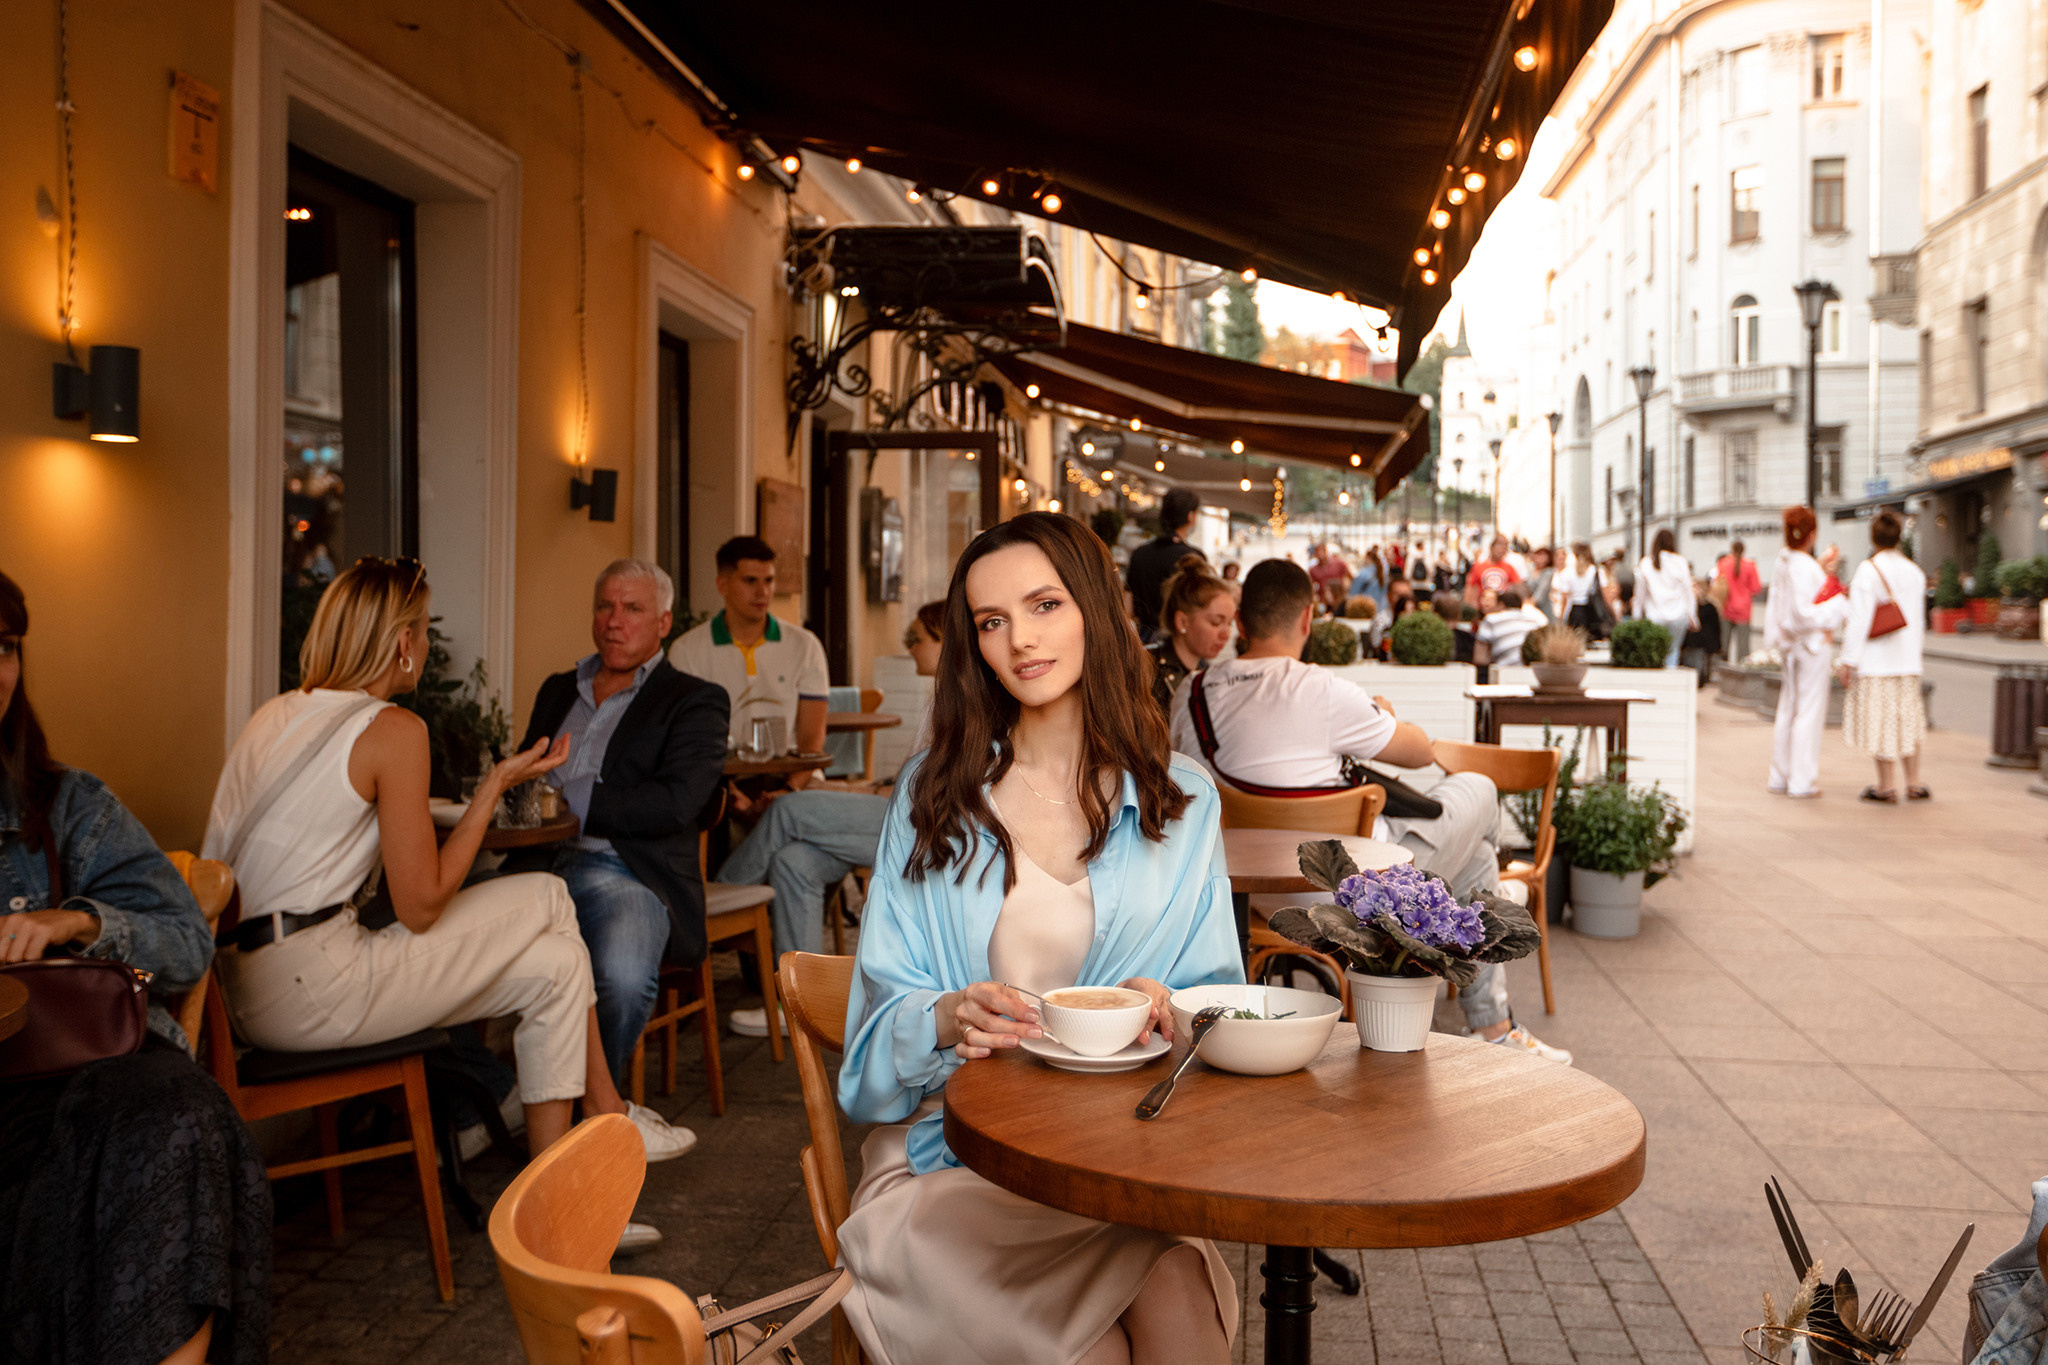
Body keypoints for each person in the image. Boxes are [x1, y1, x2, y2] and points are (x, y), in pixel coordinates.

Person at [836, 512, 1242, 1365]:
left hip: (1110, 1164)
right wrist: (946, 1013)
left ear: (1094, 607)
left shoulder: (1184, 801)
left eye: (1044, 604)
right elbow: (868, 1054)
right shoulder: (932, 796)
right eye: (990, 620)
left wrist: (1174, 1011)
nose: (1019, 639)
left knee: (1182, 1299)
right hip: (947, 1163)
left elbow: (1218, 1010)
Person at [204, 560, 643, 1173]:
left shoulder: (272, 715)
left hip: (239, 993)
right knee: (548, 895)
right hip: (316, 989)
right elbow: (422, 905)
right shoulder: (392, 730)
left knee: (558, 965)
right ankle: (608, 1114)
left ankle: (562, 1196)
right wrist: (494, 786)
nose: (429, 645)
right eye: (424, 631)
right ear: (404, 644)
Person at [0, 570, 272, 1365]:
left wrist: (79, 918)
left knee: (180, 1121)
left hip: (85, 1069)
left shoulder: (66, 807)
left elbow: (188, 942)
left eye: (7, 648)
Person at [1168, 559, 1570, 1064]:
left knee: (1476, 861)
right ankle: (1485, 1018)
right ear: (1308, 619)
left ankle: (1493, 1024)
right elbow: (1421, 751)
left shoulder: (1194, 692)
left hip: (1249, 899)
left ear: (1242, 623)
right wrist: (1386, 714)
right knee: (1479, 788)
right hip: (1354, 896)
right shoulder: (1323, 691)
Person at [505, 559, 723, 1161]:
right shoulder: (558, 688)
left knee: (623, 979)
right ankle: (512, 1095)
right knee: (436, 946)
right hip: (536, 864)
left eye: (632, 609)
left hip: (625, 871)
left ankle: (580, 1124)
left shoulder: (694, 701)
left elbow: (676, 805)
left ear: (664, 621)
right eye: (605, 606)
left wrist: (566, 799)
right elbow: (522, 782)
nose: (614, 622)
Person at [713, 601, 948, 1038]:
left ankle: (715, 914)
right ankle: (803, 1006)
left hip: (918, 828)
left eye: (915, 638)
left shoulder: (956, 699)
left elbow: (917, 793)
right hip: (902, 813)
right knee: (794, 862)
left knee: (786, 809)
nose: (910, 648)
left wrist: (832, 790)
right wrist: (835, 789)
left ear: (945, 639)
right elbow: (901, 784)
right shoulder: (939, 695)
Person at [669, 536, 830, 797]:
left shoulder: (805, 645)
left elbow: (812, 740)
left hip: (795, 778)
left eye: (769, 580)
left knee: (813, 808)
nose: (763, 592)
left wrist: (788, 790)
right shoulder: (687, 651)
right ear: (722, 585)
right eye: (750, 581)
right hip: (719, 781)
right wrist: (728, 792)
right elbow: (687, 742)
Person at [1837, 511, 1929, 803]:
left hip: (1876, 660)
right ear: (1898, 536)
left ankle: (1886, 785)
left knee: (1882, 722)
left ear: (1873, 537)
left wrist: (1847, 660)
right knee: (1908, 720)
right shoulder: (1915, 571)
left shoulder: (1868, 570)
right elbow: (1919, 619)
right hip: (1908, 659)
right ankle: (1913, 782)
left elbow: (1859, 619)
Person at [1764, 507, 1849, 799]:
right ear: (1812, 534)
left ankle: (1781, 774)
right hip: (1811, 644)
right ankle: (1802, 780)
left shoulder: (1784, 560)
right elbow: (1804, 612)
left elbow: (1785, 605)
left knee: (1789, 708)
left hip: (1791, 644)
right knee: (1808, 711)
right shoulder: (1804, 565)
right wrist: (1836, 608)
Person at [1147, 555, 1237, 712]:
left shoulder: (1204, 671)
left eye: (1229, 623)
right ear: (1182, 621)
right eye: (1216, 623)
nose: (1226, 634)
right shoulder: (1146, 671)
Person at [1125, 487, 1205, 645]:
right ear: (1190, 516)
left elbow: (1127, 605)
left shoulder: (1139, 554)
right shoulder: (1193, 557)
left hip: (1144, 640)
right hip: (1181, 642)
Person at [1635, 529, 1699, 669]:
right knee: (1673, 651)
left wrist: (1637, 615)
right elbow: (1688, 590)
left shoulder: (1646, 563)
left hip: (1655, 615)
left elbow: (1640, 595)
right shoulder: (1680, 561)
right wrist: (1692, 615)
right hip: (1678, 614)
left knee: (1655, 653)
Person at [1476, 588, 1544, 670]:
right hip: (1531, 671)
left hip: (1503, 671)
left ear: (1501, 605)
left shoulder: (1491, 619)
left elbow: (1480, 659)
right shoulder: (1533, 622)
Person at [1717, 539, 1763, 661]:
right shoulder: (1750, 565)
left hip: (1726, 608)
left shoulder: (1723, 563)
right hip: (1743, 610)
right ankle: (1741, 674)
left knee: (1724, 644)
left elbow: (1718, 583)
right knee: (1743, 648)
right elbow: (1756, 588)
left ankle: (1722, 671)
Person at [1680, 582, 1724, 685]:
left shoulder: (1708, 607)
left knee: (1699, 663)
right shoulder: (1685, 605)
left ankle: (1701, 679)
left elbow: (1715, 627)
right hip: (1690, 642)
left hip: (1701, 642)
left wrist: (1717, 645)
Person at [1558, 542, 1604, 636]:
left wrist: (1561, 617)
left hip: (1574, 610)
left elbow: (1564, 598)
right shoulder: (1593, 570)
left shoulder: (1566, 572)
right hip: (1590, 610)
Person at [1465, 534, 1519, 606]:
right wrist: (1469, 605)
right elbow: (1470, 587)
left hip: (1501, 607)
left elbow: (1519, 585)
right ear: (1491, 547)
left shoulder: (1509, 567)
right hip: (1483, 608)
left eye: (1505, 546)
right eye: (1499, 545)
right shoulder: (1478, 566)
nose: (1502, 549)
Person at [1347, 545, 1391, 619]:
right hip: (1381, 610)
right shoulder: (1383, 574)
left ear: (1368, 559)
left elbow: (1353, 593)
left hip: (1365, 610)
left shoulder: (1363, 573)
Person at [1308, 542, 1352, 610]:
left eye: (1321, 552)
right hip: (1324, 603)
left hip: (1340, 601)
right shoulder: (1313, 570)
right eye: (1317, 553)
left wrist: (1346, 591)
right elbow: (1311, 586)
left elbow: (1350, 577)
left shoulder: (1339, 563)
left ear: (1326, 551)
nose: (1319, 555)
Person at [1524, 546, 1558, 622]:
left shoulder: (1548, 572)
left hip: (1542, 606)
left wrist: (1532, 601)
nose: (1541, 559)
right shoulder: (1531, 570)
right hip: (1529, 606)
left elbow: (1542, 589)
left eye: (1545, 557)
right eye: (1539, 555)